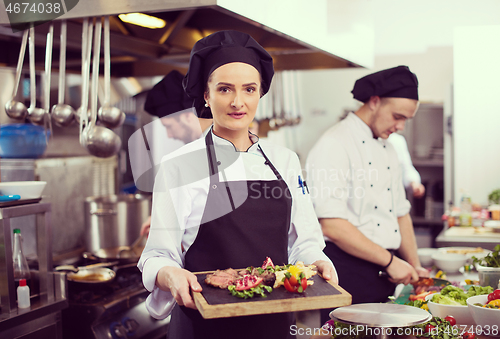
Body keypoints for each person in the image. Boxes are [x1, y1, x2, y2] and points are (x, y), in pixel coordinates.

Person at [137, 30, 337, 339]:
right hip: (201, 326)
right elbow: (155, 257)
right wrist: (170, 275)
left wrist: (318, 261)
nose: (238, 102)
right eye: (225, 89)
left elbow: (305, 241)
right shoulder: (178, 166)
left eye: (249, 89)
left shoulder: (285, 160)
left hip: (272, 324)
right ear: (206, 95)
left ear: (260, 94)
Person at [305, 66, 429, 325]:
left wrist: (415, 266)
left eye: (406, 119)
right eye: (397, 116)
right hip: (347, 273)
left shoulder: (389, 148)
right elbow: (332, 224)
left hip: (385, 271)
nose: (401, 126)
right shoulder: (334, 144)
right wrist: (390, 261)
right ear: (374, 101)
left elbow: (401, 213)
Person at [139, 70, 213, 236]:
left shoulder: (217, 145)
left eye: (169, 126)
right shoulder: (199, 148)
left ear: (187, 117)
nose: (169, 135)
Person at [387, 133, 425, 198]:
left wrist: (414, 183)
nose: (400, 127)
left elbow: (406, 168)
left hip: (397, 200)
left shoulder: (398, 140)